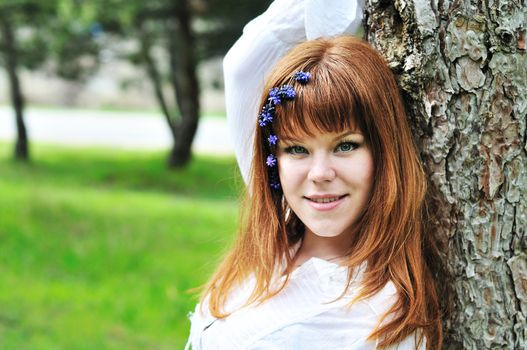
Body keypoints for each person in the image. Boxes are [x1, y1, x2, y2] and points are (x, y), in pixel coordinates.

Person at [186, 1, 447, 349]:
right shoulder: (282, 226)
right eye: (296, 149)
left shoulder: (381, 320)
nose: (320, 174)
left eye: (345, 146)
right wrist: (332, 34)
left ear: (384, 151)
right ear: (274, 160)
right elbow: (241, 67)